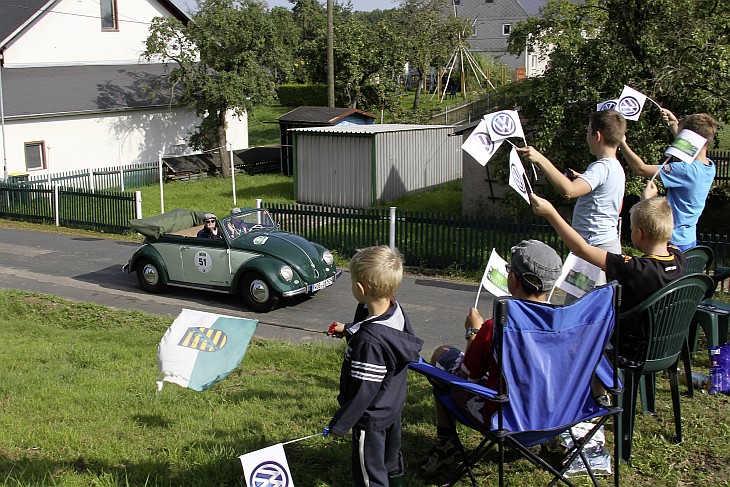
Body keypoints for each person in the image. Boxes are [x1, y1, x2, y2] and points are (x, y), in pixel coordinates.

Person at [420, 240, 563, 477]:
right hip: (555, 415)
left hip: (506, 418)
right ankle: (553, 444)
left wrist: (473, 333)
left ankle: (446, 446)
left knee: (442, 358)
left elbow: (467, 377)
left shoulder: (495, 327)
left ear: (514, 280)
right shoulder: (565, 326)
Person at [530, 181, 686, 368]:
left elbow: (582, 249)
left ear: (639, 233)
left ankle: (599, 394)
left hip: (628, 351)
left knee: (582, 337)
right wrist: (647, 202)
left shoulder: (635, 269)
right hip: (663, 347)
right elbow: (659, 232)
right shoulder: (678, 258)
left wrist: (551, 214)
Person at [326, 245, 423, 487]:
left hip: (369, 418)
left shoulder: (368, 343)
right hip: (391, 406)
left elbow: (363, 391)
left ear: (360, 288)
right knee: (391, 460)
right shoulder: (395, 311)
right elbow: (381, 332)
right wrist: (349, 329)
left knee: (370, 474)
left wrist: (340, 424)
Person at [517, 109, 627, 255]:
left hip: (594, 247)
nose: (587, 136)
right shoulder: (616, 168)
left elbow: (569, 191)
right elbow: (616, 207)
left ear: (598, 136)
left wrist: (539, 158)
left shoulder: (601, 167)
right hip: (606, 244)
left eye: (588, 132)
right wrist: (585, 182)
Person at [619, 110, 719, 251]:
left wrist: (621, 143)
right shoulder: (709, 166)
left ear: (689, 138)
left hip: (672, 240)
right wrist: (675, 126)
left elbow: (640, 169)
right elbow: (689, 150)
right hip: (688, 239)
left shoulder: (685, 170)